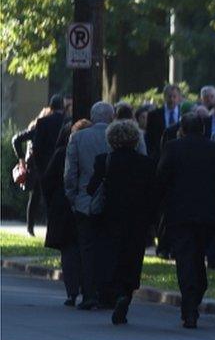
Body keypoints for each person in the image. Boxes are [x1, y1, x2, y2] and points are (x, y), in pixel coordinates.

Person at [156, 113, 215, 329]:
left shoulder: (172, 148)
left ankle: (189, 303)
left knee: (185, 260)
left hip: (180, 214)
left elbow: (161, 180)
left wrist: (157, 212)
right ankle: (194, 297)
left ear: (182, 129)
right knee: (198, 256)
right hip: (209, 215)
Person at [87, 120, 155, 325]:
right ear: (135, 139)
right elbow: (153, 193)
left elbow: (92, 188)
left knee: (109, 258)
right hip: (137, 221)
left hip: (109, 219)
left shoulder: (104, 161)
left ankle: (114, 293)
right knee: (132, 259)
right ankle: (126, 292)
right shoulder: (146, 164)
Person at [64, 101, 115, 310]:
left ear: (93, 118)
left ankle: (89, 293)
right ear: (111, 117)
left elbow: (70, 173)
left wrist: (72, 197)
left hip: (85, 201)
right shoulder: (119, 136)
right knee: (109, 248)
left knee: (87, 249)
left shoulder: (78, 138)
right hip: (112, 202)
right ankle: (106, 292)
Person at [43, 120, 88, 305]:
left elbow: (47, 180)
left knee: (69, 250)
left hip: (62, 206)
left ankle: (72, 291)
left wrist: (51, 203)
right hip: (83, 204)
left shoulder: (61, 153)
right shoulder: (88, 152)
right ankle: (86, 288)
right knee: (83, 248)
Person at [11, 95, 67, 235]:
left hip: (41, 167)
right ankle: (53, 228)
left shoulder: (42, 123)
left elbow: (35, 145)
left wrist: (23, 159)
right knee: (56, 198)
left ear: (51, 107)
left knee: (35, 197)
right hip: (61, 165)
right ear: (63, 107)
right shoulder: (67, 122)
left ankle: (31, 228)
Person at [145, 84, 184, 159]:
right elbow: (149, 136)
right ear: (165, 97)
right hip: (159, 155)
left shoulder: (184, 114)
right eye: (169, 96)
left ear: (179, 98)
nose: (172, 99)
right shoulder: (154, 115)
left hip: (180, 154)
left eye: (174, 96)